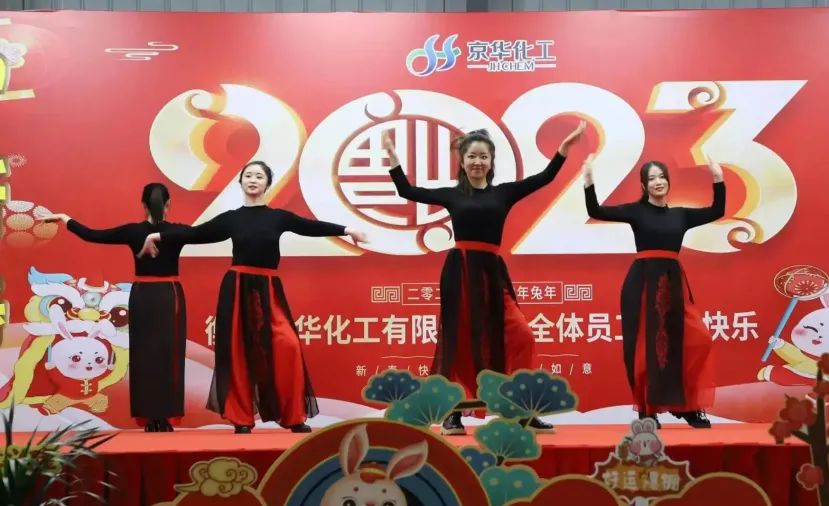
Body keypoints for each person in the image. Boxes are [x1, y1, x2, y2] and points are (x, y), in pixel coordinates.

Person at [383, 122, 586, 435]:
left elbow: (544, 178)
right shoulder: (453, 195)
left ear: (491, 162)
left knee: (522, 335)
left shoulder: (504, 193)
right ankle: (454, 414)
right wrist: (393, 158)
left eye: (483, 157)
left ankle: (522, 408)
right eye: (472, 157)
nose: (477, 162)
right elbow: (407, 191)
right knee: (461, 343)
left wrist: (563, 149)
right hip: (461, 272)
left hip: (492, 272)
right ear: (462, 162)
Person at [139, 161, 368, 433]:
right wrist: (159, 235)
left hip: (268, 288)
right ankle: (241, 419)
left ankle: (293, 416)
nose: (253, 179)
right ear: (240, 182)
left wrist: (347, 230)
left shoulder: (278, 217)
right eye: (248, 175)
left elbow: (309, 226)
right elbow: (196, 234)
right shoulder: (231, 218)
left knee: (287, 345)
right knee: (238, 353)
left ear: (267, 184)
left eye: (259, 176)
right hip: (237, 287)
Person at [582, 154, 727, 429]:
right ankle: (647, 410)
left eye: (661, 177)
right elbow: (596, 211)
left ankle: (686, 406)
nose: (658, 182)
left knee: (696, 340)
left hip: (673, 283)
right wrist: (588, 181)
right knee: (645, 349)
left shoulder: (680, 215)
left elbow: (716, 211)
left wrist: (718, 178)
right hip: (642, 283)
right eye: (651, 178)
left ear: (668, 181)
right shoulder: (636, 212)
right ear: (644, 185)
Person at [42, 183, 189, 432]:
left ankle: (149, 418)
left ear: (143, 204)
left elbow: (92, 235)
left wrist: (66, 219)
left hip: (142, 296)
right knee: (169, 356)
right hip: (169, 296)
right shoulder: (177, 232)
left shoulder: (133, 231)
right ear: (168, 204)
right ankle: (165, 417)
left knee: (143, 356)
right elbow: (208, 233)